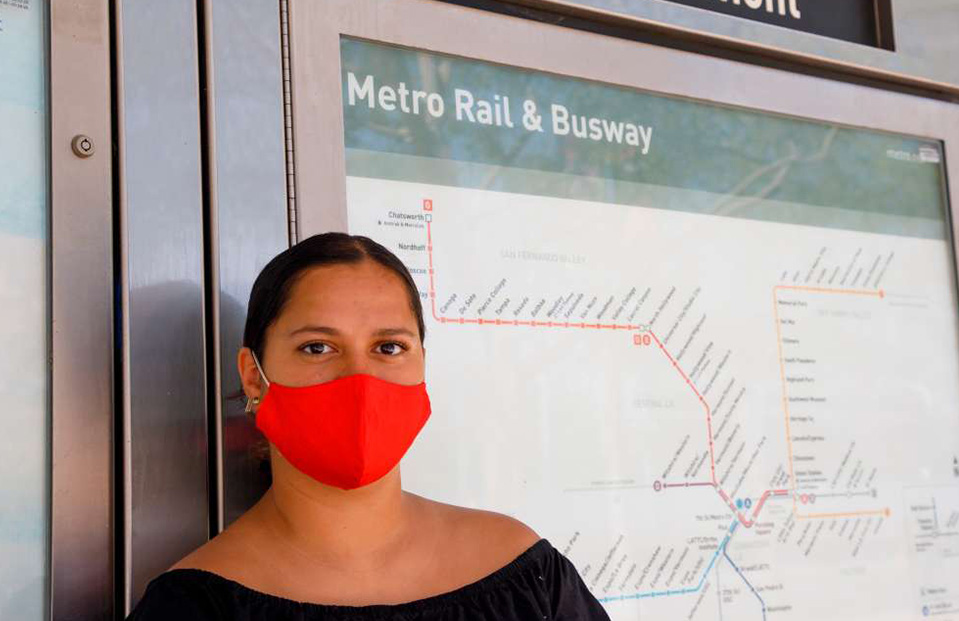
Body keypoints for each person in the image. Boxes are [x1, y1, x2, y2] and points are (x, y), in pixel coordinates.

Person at [127, 233, 610, 620]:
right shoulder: (192, 606)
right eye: (317, 347)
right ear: (254, 375)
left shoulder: (526, 573)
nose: (360, 380)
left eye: (389, 347)